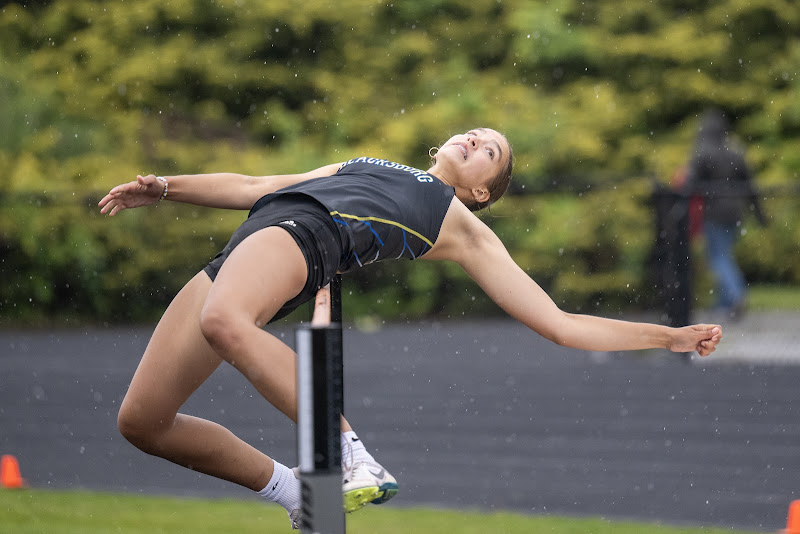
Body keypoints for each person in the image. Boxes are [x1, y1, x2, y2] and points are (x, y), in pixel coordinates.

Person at [99, 127, 722, 529]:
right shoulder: (367, 161)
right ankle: (297, 494)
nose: (474, 141)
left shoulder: (463, 224)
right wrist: (168, 189)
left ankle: (350, 454)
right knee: (143, 423)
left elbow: (558, 324)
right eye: (474, 134)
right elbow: (258, 185)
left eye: (489, 151)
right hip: (249, 242)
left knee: (223, 322)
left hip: (305, 238)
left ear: (482, 191)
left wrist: (668, 337)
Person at [683, 109, 767, 319]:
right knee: (724, 254)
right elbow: (750, 187)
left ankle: (737, 295)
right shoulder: (735, 154)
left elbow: (689, 185)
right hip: (735, 214)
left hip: (714, 214)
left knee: (718, 257)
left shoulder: (703, 154)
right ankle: (724, 303)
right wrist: (759, 215)